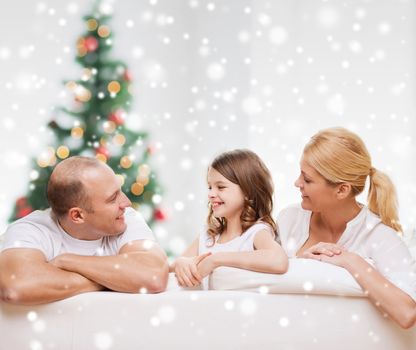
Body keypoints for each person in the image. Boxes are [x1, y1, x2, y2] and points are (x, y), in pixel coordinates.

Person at [277, 127, 416, 329]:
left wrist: (350, 260)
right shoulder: (289, 219)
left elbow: (407, 313)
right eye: (300, 174)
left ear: (342, 190)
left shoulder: (381, 237)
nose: (297, 183)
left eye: (307, 179)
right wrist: (303, 264)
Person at [0, 156, 168, 305]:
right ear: (78, 216)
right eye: (112, 199)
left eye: (120, 191)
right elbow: (16, 287)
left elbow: (153, 276)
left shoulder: (125, 218)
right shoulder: (30, 230)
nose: (126, 203)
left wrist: (68, 261)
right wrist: (112, 281)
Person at [171, 149, 288, 288]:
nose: (211, 194)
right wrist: (180, 262)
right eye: (210, 187)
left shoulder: (255, 233)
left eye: (220, 187)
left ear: (248, 192)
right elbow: (171, 271)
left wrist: (216, 260)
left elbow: (279, 261)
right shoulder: (207, 236)